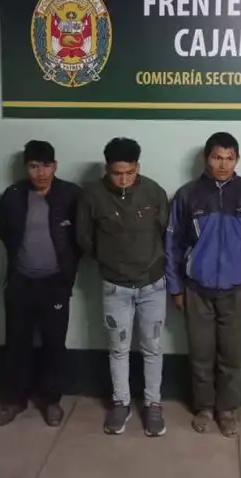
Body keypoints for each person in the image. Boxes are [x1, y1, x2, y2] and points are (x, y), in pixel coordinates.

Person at [164, 132, 241, 437]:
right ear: (206, 158)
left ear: (237, 159)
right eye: (216, 157)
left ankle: (227, 409)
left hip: (238, 291)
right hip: (196, 290)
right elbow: (172, 244)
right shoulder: (187, 195)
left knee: (232, 357)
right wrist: (176, 287)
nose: (223, 164)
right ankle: (205, 407)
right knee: (201, 354)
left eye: (229, 157)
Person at [76, 137, 170, 437]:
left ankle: (154, 405)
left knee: (152, 347)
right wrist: (109, 261)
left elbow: (164, 232)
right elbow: (84, 238)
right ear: (107, 169)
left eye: (130, 172)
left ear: (138, 167)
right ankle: (121, 403)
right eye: (117, 173)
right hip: (115, 286)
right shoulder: (92, 195)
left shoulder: (153, 192)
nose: (124, 179)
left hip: (152, 284)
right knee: (118, 349)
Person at [0, 140, 82, 427]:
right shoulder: (14, 196)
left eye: (46, 165)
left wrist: (67, 270)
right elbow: (6, 233)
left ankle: (51, 401)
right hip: (20, 281)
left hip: (56, 282)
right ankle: (13, 399)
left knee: (54, 343)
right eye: (33, 166)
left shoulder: (70, 195)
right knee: (17, 342)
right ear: (25, 168)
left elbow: (81, 237)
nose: (40, 172)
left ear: (55, 166)